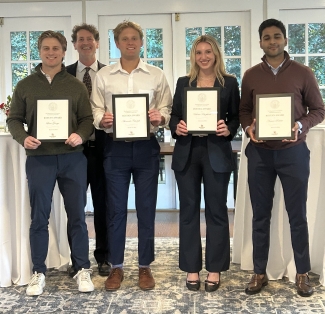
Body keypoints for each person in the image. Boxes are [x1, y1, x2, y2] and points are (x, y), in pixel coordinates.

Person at [239, 18, 325, 297]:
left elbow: (318, 110)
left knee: (297, 215)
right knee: (260, 216)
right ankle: (259, 272)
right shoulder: (251, 75)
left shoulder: (303, 72)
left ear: (286, 40)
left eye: (277, 36)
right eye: (267, 37)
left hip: (293, 154)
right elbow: (243, 111)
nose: (272, 41)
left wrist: (301, 126)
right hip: (261, 155)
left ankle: (302, 273)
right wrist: (248, 127)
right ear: (260, 42)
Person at [7, 30, 95, 295]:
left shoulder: (76, 85)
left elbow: (87, 120)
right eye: (46, 48)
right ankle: (38, 272)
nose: (51, 52)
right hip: (39, 160)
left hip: (72, 159)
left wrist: (80, 135)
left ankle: (81, 268)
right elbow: (13, 120)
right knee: (39, 217)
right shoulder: (25, 85)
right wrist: (24, 138)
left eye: (56, 48)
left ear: (64, 51)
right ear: (40, 51)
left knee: (77, 216)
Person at [91, 20, 172, 291]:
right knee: (115, 210)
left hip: (147, 146)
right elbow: (95, 111)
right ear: (116, 43)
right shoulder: (104, 76)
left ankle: (144, 266)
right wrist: (103, 119)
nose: (129, 42)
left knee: (147, 208)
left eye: (134, 38)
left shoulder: (156, 74)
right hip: (115, 148)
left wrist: (161, 116)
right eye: (124, 38)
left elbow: (167, 108)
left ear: (141, 42)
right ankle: (116, 267)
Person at [169, 35, 240, 292]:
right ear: (193, 56)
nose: (203, 56)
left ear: (216, 54)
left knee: (216, 211)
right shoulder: (183, 82)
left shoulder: (229, 83)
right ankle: (191, 267)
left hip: (217, 152)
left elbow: (235, 118)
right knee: (188, 211)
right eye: (198, 52)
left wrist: (227, 128)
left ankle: (214, 268)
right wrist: (177, 125)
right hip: (188, 151)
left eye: (208, 52)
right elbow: (174, 116)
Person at [66, 23, 110, 277]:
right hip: (73, 151)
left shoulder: (109, 73)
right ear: (74, 44)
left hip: (104, 149)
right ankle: (77, 259)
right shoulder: (64, 75)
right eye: (80, 39)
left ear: (97, 42)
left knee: (104, 205)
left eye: (90, 39)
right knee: (75, 207)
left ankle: (104, 257)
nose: (85, 43)